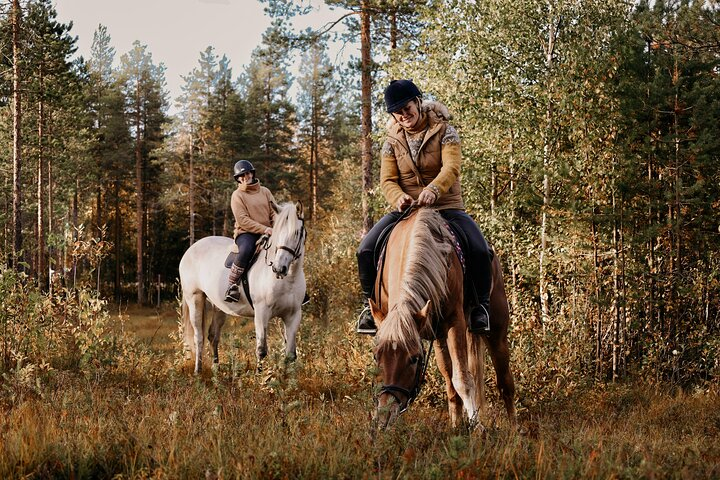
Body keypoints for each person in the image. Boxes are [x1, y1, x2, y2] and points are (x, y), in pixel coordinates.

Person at [356, 79, 493, 335]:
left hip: (446, 206)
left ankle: (480, 308)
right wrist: (398, 197)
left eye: (407, 108)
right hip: (407, 210)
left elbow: (451, 167)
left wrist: (434, 190)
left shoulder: (445, 130)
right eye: (397, 112)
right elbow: (387, 180)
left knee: (480, 249)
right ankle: (368, 307)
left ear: (418, 102)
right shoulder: (390, 141)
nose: (403, 115)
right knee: (365, 249)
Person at [224, 159, 275, 303]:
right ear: (237, 179)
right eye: (240, 176)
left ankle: (294, 289)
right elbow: (243, 220)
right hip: (246, 232)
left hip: (269, 230)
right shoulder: (237, 195)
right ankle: (232, 285)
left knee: (286, 247)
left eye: (246, 174)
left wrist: (276, 226)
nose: (244, 177)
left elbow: (274, 212)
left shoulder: (265, 191)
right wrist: (264, 229)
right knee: (246, 249)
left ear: (252, 173)